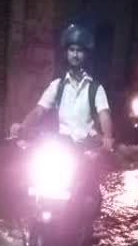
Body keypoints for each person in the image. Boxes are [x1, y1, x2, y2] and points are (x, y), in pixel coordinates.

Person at [11, 24, 114, 152]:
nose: (75, 54)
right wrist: (23, 127)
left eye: (80, 50)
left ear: (86, 55)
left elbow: (104, 115)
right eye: (71, 50)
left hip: (87, 150)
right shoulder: (57, 85)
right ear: (66, 53)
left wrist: (107, 137)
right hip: (63, 149)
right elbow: (39, 110)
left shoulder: (95, 88)